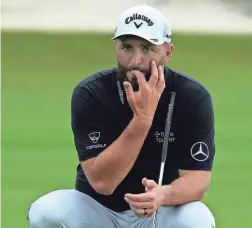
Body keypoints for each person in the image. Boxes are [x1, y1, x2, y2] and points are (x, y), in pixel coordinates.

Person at [27, 4, 216, 228]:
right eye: (127, 47)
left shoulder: (191, 96)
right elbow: (102, 182)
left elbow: (198, 180)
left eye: (147, 48)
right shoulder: (91, 93)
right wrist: (142, 121)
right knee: (45, 212)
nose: (135, 60)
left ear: (167, 52)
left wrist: (162, 195)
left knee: (197, 219)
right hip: (98, 211)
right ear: (116, 47)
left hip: (159, 210)